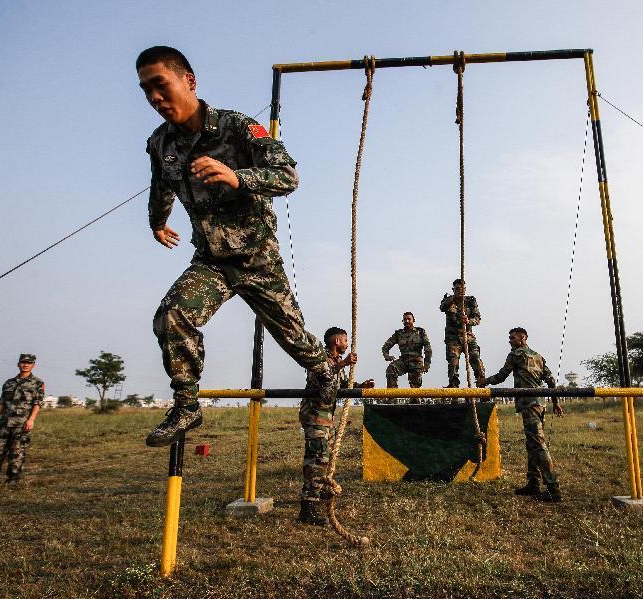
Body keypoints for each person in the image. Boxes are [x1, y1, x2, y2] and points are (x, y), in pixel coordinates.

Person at [136, 46, 336, 447]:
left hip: (258, 259)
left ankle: (324, 371)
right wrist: (157, 222)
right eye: (146, 91)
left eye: (160, 85)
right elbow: (160, 187)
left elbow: (288, 175)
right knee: (172, 315)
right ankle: (187, 406)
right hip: (211, 261)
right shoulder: (160, 143)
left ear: (189, 81)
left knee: (295, 340)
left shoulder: (237, 127)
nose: (154, 97)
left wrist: (237, 177)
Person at [299, 327, 374, 525]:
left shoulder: (337, 362)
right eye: (346, 340)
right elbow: (319, 378)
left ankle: (320, 491)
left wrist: (360, 387)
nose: (347, 344)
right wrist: (344, 363)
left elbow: (342, 387)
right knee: (317, 459)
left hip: (326, 417)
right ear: (337, 341)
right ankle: (307, 507)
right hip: (315, 415)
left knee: (325, 457)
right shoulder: (320, 358)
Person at [478, 328, 563, 502]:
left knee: (538, 444)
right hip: (540, 404)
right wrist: (555, 402)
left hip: (529, 404)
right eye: (509, 338)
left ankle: (553, 489)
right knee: (532, 444)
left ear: (523, 338)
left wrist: (484, 381)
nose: (510, 341)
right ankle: (533, 483)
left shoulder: (516, 354)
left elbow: (502, 376)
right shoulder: (538, 356)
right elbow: (551, 380)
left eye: (513, 338)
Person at [0, 354, 44, 488]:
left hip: (21, 423)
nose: (25, 365)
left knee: (17, 452)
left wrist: (31, 420)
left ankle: (13, 480)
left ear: (33, 365)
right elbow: (1, 402)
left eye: (28, 363)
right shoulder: (9, 383)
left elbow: (37, 403)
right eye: (23, 362)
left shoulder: (38, 383)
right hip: (4, 422)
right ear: (18, 364)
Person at [440, 279, 485, 387]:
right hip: (453, 338)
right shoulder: (448, 301)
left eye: (463, 288)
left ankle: (481, 384)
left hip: (468, 336)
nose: (460, 290)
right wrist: (452, 298)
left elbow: (477, 319)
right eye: (457, 288)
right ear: (453, 289)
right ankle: (453, 386)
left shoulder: (470, 301)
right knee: (453, 362)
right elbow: (442, 308)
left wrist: (468, 321)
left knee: (475, 358)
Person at [381, 312, 432, 397]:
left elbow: (428, 349)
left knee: (415, 391)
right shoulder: (398, 333)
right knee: (391, 369)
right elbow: (385, 346)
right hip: (403, 361)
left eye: (409, 319)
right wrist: (386, 356)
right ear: (403, 321)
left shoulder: (420, 332)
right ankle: (392, 396)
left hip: (416, 362)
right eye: (405, 319)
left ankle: (415, 400)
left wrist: (427, 364)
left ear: (413, 320)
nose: (407, 321)